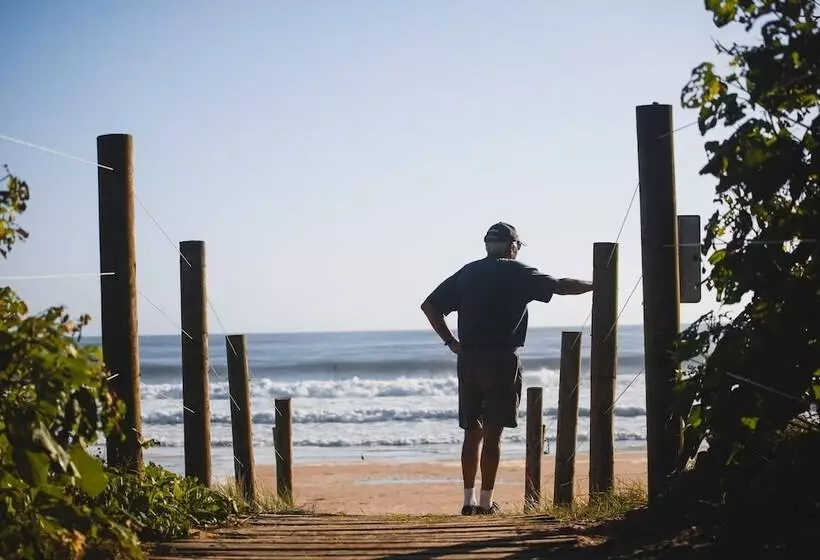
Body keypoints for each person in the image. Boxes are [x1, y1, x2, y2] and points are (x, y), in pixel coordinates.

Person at [420, 222, 593, 515]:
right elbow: (560, 286)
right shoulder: (516, 271)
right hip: (502, 359)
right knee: (493, 433)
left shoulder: (468, 272)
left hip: (469, 359)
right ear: (512, 246)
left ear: (488, 246)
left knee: (471, 432)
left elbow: (429, 306)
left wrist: (451, 342)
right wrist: (597, 283)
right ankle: (486, 503)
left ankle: (467, 501)